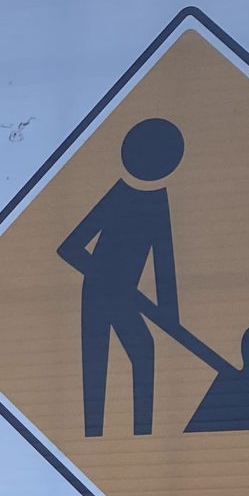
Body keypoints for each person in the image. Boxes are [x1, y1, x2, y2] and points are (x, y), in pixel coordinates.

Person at [57, 117, 184, 438]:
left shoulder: (158, 202)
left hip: (125, 295)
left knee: (144, 352)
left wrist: (170, 317)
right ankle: (92, 436)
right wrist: (106, 277)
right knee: (96, 363)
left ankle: (143, 434)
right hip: (98, 292)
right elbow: (70, 247)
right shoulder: (120, 196)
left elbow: (163, 262)